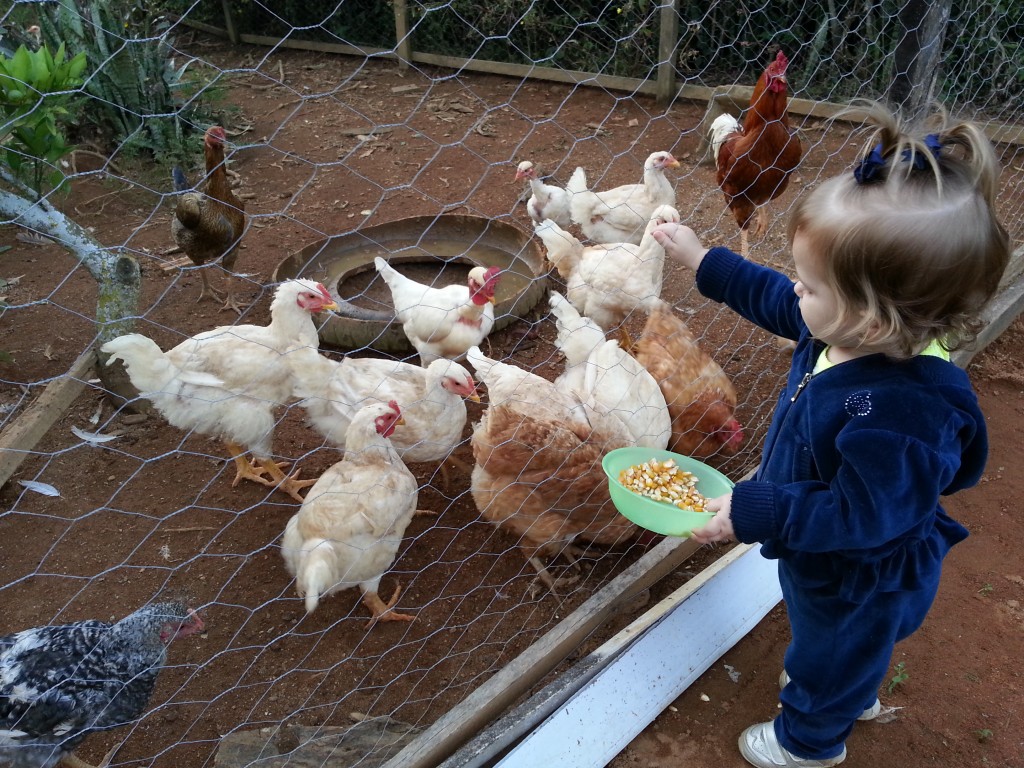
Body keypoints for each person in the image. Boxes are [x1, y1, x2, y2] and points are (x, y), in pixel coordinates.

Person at [651, 100, 1011, 768]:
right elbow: (773, 296)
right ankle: (850, 678)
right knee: (832, 640)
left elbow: (858, 514)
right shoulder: (841, 330)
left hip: (859, 570)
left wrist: (752, 510)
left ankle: (812, 742)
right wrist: (701, 257)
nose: (796, 291)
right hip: (822, 549)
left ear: (871, 321)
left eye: (810, 284)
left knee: (834, 647)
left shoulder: (904, 414)